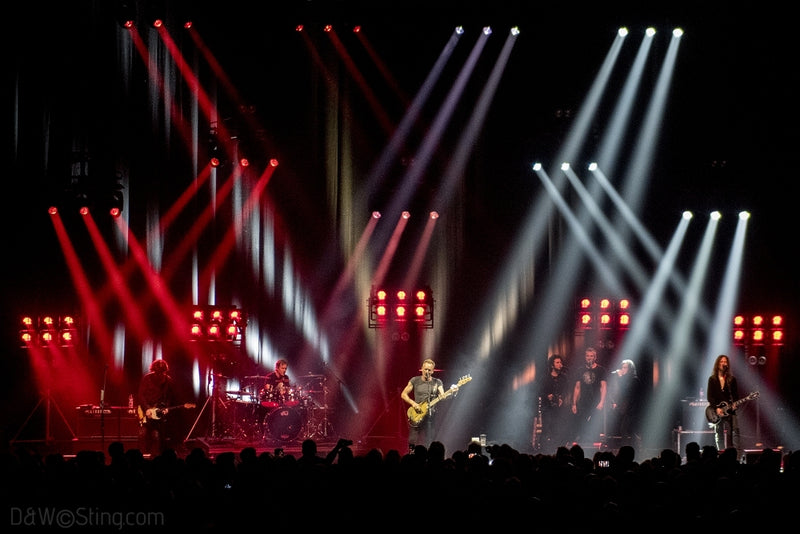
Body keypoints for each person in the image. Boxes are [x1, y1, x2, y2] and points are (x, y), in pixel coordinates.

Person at [401, 358, 447, 451]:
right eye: (425, 369)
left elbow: (443, 395)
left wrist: (453, 392)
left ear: (433, 371)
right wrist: (413, 403)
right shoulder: (414, 380)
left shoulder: (437, 382)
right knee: (412, 441)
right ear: (421, 369)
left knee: (430, 442)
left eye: (429, 370)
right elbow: (403, 394)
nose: (426, 371)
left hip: (430, 417)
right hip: (417, 414)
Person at [137, 359, 176, 456]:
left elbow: (169, 398)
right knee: (142, 434)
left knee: (156, 436)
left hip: (158, 412)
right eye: (157, 373)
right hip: (145, 411)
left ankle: (155, 458)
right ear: (153, 370)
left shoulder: (168, 381)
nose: (159, 375)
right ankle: (141, 457)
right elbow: (141, 396)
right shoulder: (147, 378)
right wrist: (147, 409)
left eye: (162, 373)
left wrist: (166, 408)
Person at [570, 346, 608, 445]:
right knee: (582, 422)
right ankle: (583, 443)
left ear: (595, 357)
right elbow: (577, 387)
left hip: (595, 402)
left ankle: (591, 444)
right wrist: (574, 404)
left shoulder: (601, 370)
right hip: (583, 401)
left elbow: (603, 387)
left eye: (591, 356)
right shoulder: (580, 370)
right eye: (587, 356)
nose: (589, 358)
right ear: (585, 357)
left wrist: (602, 402)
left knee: (593, 423)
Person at [706, 354, 741, 457]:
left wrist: (735, 404)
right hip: (717, 411)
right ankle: (720, 454)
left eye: (725, 362)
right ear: (717, 364)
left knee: (735, 432)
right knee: (719, 434)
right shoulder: (712, 379)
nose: (723, 363)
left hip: (730, 410)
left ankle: (736, 456)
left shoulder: (731, 379)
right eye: (721, 362)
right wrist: (716, 408)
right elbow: (710, 396)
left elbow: (735, 395)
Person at [537, 354, 570, 453]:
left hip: (559, 408)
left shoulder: (564, 378)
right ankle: (543, 450)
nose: (560, 364)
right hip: (547, 407)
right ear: (552, 365)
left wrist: (562, 398)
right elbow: (539, 391)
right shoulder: (545, 378)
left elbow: (567, 391)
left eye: (561, 362)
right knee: (546, 428)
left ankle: (557, 449)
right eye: (557, 362)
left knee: (557, 428)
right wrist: (547, 396)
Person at [608, 358, 642, 449]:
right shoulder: (627, 380)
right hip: (627, 410)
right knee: (628, 431)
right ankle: (635, 449)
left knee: (625, 430)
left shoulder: (634, 379)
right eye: (622, 367)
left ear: (630, 369)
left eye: (625, 368)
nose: (622, 369)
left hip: (633, 411)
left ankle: (628, 450)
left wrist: (620, 378)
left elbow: (626, 392)